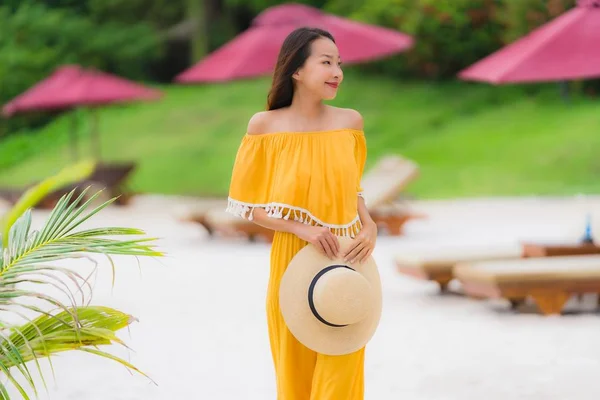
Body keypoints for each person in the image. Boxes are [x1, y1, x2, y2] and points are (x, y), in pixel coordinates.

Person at [226, 26, 378, 400]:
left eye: (339, 63)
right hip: (293, 260)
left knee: (341, 377)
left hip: (348, 259)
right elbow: (249, 206)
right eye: (326, 62)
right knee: (295, 378)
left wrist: (369, 223)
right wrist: (303, 229)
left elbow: (351, 188)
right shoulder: (264, 127)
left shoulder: (350, 123)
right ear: (296, 69)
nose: (337, 72)